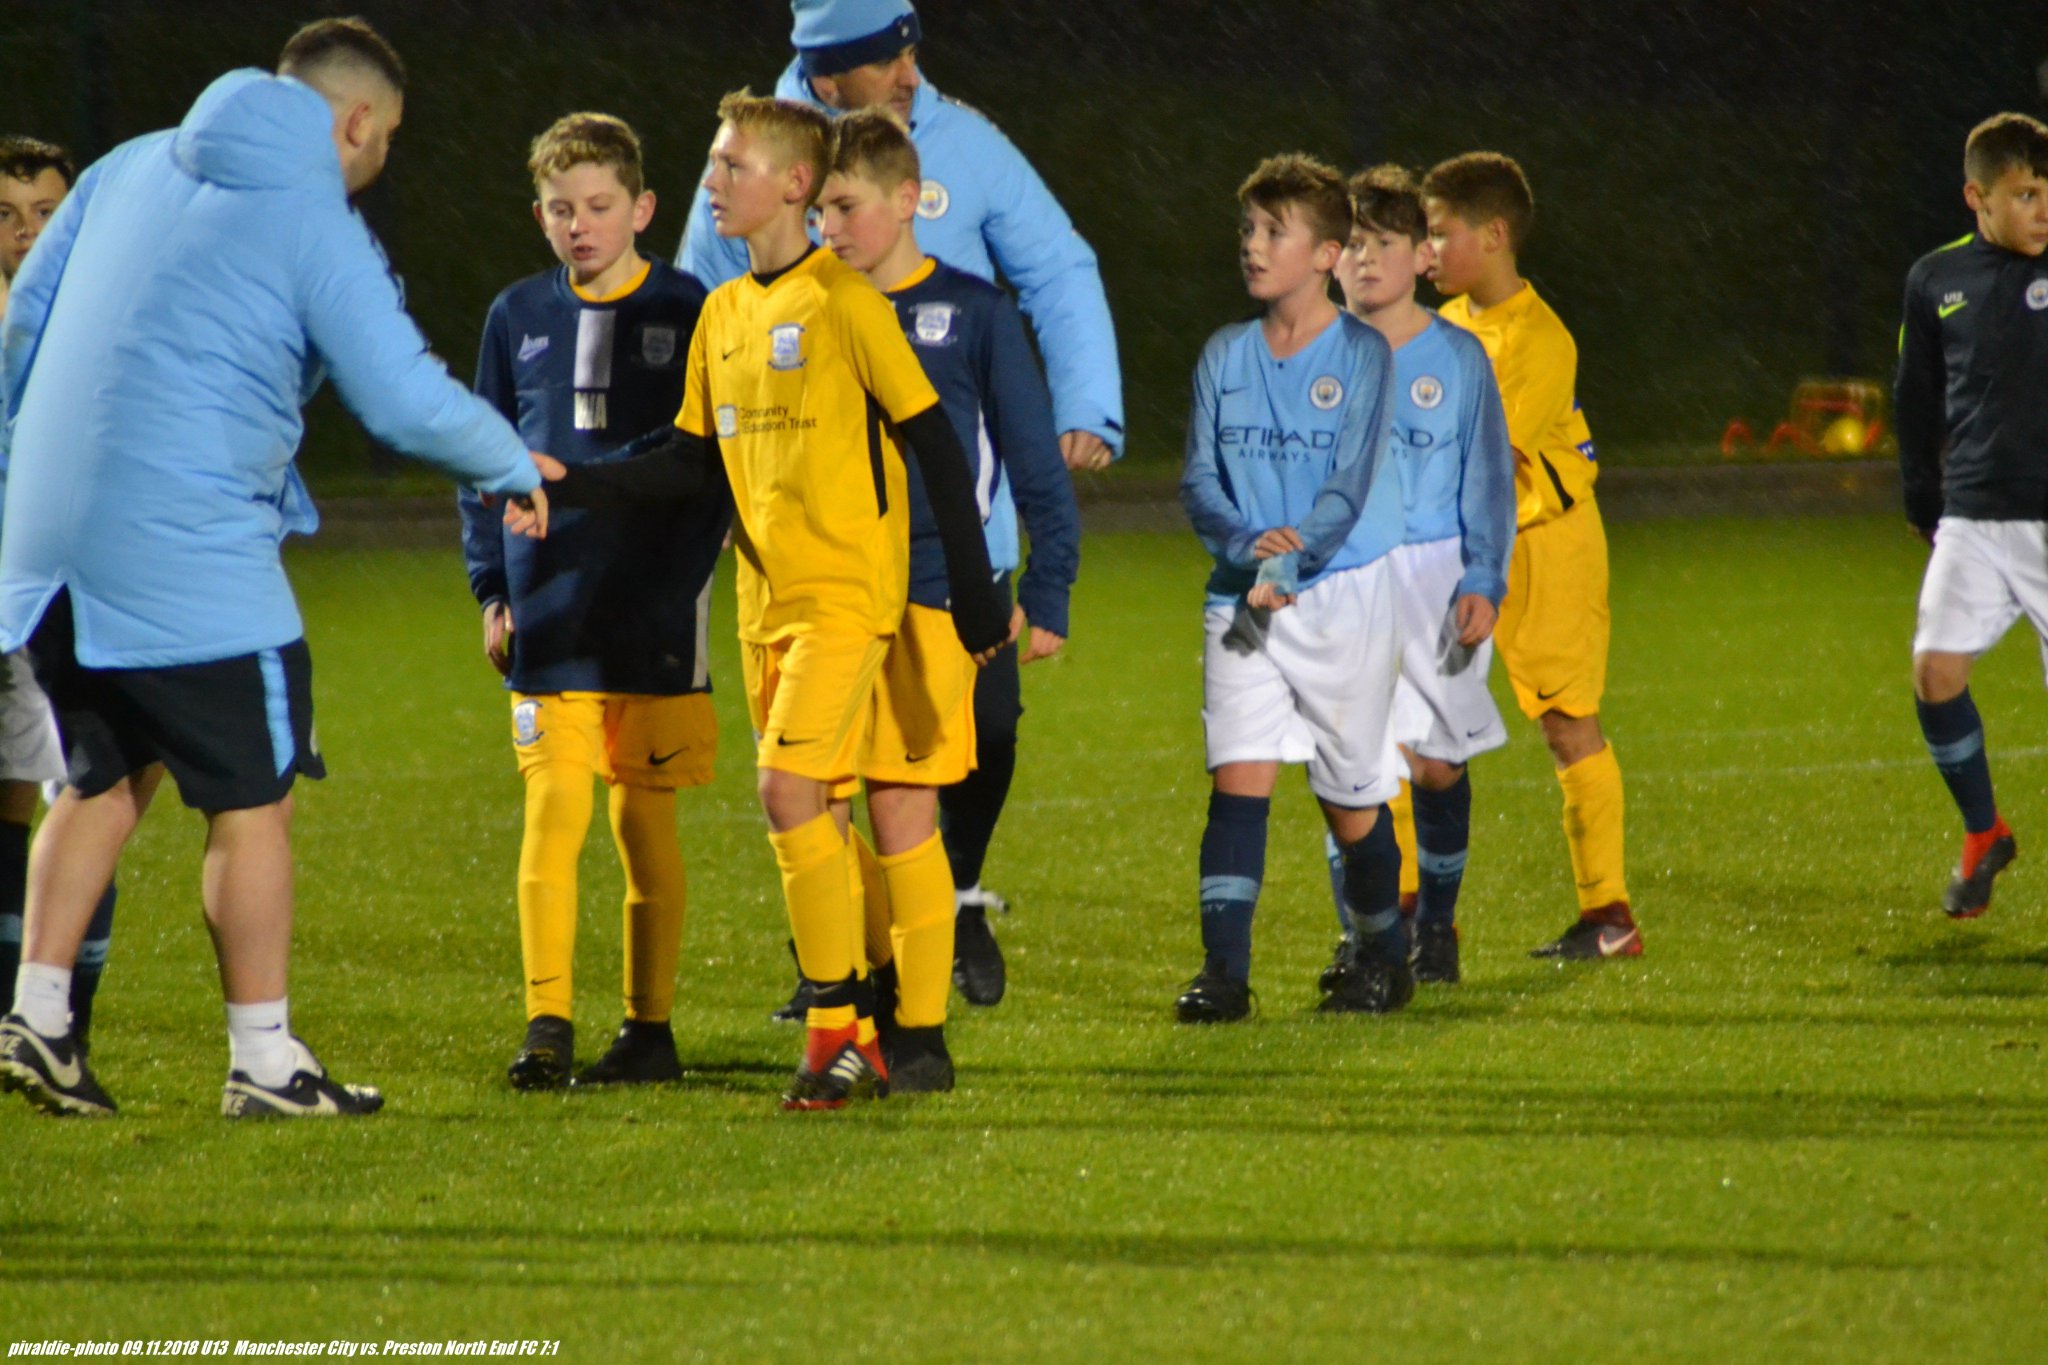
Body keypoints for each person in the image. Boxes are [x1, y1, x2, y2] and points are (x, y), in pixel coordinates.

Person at [0, 18, 547, 1119]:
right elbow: (399, 398)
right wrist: (510, 461)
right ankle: (264, 1059)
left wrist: (27, 476)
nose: (380, 156)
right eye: (387, 138)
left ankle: (38, 1018)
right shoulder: (313, 219)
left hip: (47, 547)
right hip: (187, 552)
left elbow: (23, 331)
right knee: (255, 801)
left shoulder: (131, 162)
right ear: (358, 121)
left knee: (102, 775)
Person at [521, 91, 1007, 1110]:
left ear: (793, 183)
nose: (712, 180)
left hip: (849, 600)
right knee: (824, 807)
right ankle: (885, 1020)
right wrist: (577, 480)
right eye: (713, 163)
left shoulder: (846, 301)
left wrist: (972, 590)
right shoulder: (724, 313)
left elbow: (932, 438)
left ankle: (846, 1030)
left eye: (730, 165)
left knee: (796, 792)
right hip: (764, 606)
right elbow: (691, 459)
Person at [802, 108, 1079, 1086]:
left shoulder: (971, 312)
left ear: (908, 199)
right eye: (820, 209)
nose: (829, 226)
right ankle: (864, 984)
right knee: (828, 802)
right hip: (832, 593)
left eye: (846, 206)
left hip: (940, 587)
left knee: (922, 792)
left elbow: (1034, 459)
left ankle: (918, 1001)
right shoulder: (808, 307)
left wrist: (1047, 587)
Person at [459, 113, 724, 1091]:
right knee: (554, 810)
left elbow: (710, 465)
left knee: (642, 826)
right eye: (561, 209)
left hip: (655, 614)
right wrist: (492, 589)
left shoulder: (693, 311)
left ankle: (648, 1030)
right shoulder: (516, 315)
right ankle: (547, 1025)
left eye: (600, 206)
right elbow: (480, 461)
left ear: (643, 209)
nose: (580, 225)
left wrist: (684, 580)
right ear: (539, 216)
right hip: (548, 609)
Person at [676, 0, 1122, 473]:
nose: (910, 78)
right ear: (828, 81)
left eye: (912, 55)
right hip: (814, 480)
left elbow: (1057, 268)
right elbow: (698, 316)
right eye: (886, 61)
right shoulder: (750, 161)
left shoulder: (967, 143)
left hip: (963, 474)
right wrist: (701, 463)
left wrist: (1086, 402)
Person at [1174, 153, 1408, 1022]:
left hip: (1338, 599)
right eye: (1248, 228)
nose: (1253, 245)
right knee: (1238, 781)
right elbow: (1200, 482)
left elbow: (1346, 489)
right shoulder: (1223, 354)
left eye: (1276, 231)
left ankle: (1382, 953)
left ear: (1326, 255)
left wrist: (1290, 558)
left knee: (1349, 800)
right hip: (1239, 599)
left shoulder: (1362, 354)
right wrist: (1248, 548)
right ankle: (1223, 976)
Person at [1422, 152, 1639, 960]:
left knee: (1565, 724)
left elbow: (1483, 456)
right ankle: (1416, 918)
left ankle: (1609, 915)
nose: (1428, 250)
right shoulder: (1445, 324)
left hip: (1545, 545)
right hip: (1463, 546)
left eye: (1440, 233)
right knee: (1416, 724)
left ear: (1494, 235)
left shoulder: (1539, 339)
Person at [1322, 164, 1514, 988]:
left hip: (1437, 575)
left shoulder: (1459, 358)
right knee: (1348, 769)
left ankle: (1435, 926)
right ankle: (1366, 938)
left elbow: (1489, 479)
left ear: (1419, 256)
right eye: (1352, 244)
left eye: (1384, 242)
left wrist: (1485, 576)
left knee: (1436, 765)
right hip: (1343, 578)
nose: (1365, 259)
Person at [1896, 111, 2048, 918]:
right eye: (2024, 194)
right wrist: (1921, 495)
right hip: (1976, 514)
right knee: (1935, 672)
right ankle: (1984, 832)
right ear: (1976, 198)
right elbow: (1915, 398)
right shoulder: (1935, 280)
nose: (2042, 210)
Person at [0, 136, 122, 1055]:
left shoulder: (97, 316)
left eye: (45, 212)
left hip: (65, 589)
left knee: (83, 787)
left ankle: (63, 1019)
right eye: (7, 215)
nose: (27, 232)